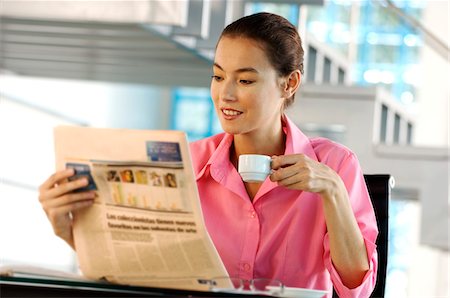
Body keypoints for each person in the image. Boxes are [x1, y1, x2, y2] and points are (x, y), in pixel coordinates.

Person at [38, 12, 377, 298]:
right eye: (217, 76)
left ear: (289, 84)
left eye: (245, 81)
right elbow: (137, 272)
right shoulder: (184, 163)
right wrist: (68, 228)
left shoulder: (334, 165)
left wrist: (333, 191)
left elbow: (356, 289)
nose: (225, 94)